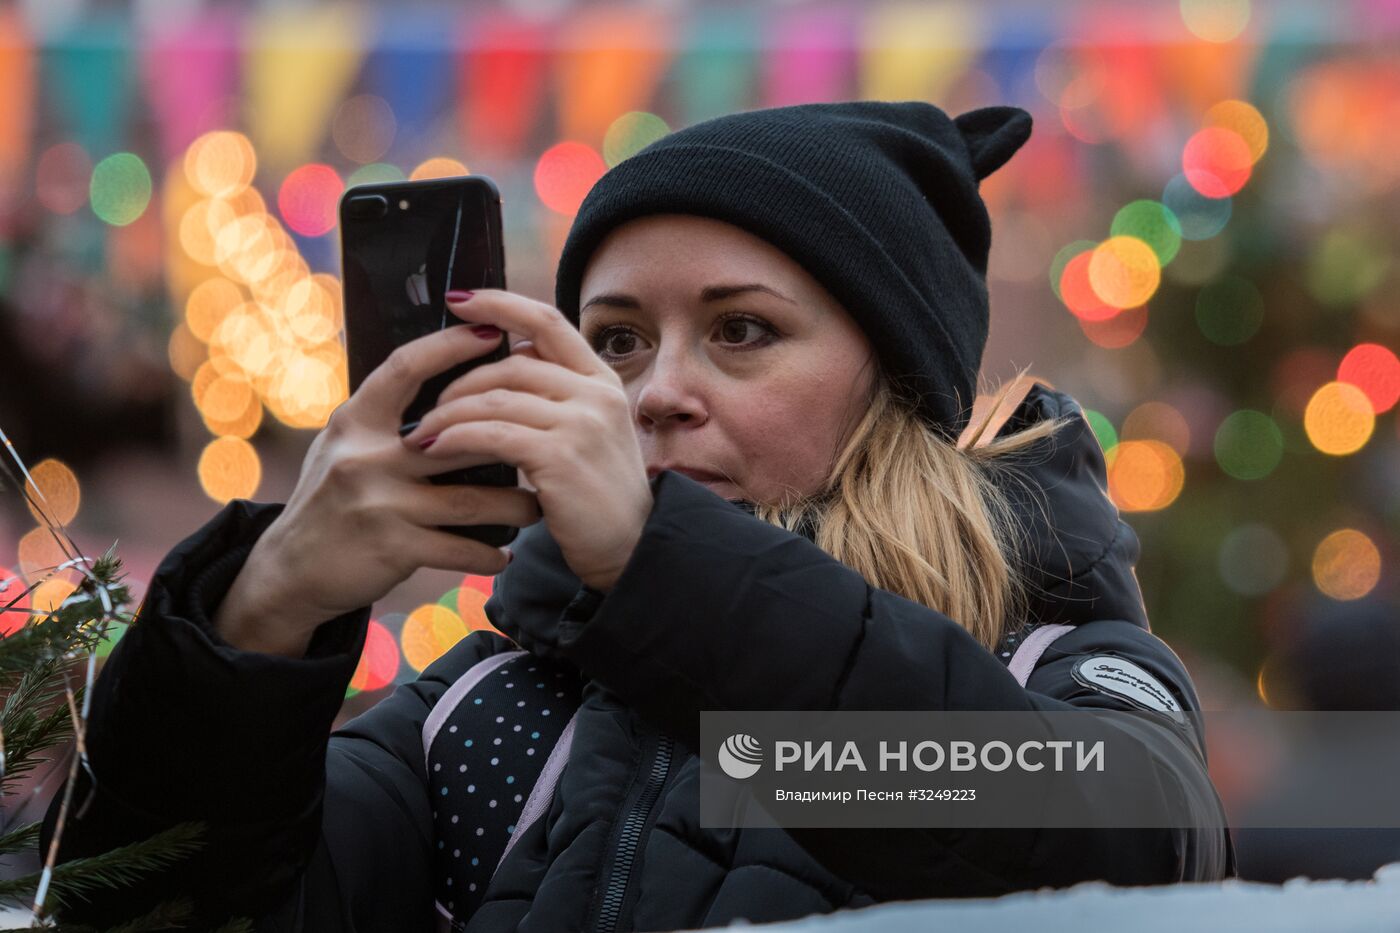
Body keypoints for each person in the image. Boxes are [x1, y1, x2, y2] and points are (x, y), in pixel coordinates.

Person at [42, 100, 1234, 929]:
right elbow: (152, 904)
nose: (654, 392)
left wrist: (657, 572)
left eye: (740, 330)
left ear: (896, 386)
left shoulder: (1048, 664)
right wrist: (257, 619)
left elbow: (1115, 850)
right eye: (613, 341)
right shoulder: (481, 707)